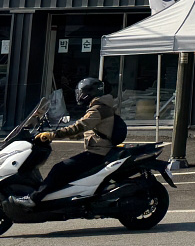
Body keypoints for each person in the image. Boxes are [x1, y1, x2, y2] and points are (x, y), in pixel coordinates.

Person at [12, 78, 117, 207]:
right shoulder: (103, 106)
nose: (79, 95)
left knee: (60, 169)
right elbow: (93, 130)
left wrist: (53, 134)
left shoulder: (98, 109)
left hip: (98, 153)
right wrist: (71, 136)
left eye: (81, 92)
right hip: (102, 150)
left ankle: (34, 199)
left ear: (88, 93)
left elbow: (79, 126)